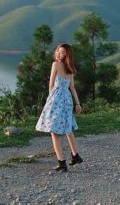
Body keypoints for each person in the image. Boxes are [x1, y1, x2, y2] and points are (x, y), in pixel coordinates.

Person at [36, 43, 83, 172]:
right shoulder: (70, 68)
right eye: (58, 51)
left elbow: (51, 85)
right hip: (67, 99)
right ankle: (75, 156)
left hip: (56, 99)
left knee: (54, 131)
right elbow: (72, 88)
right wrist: (77, 103)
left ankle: (61, 163)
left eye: (62, 52)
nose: (59, 54)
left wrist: (49, 101)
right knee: (67, 128)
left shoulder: (55, 65)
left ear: (67, 55)